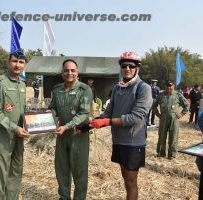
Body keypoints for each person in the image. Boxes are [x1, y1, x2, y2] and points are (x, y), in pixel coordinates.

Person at [89, 51, 153, 200]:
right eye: (124, 66)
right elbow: (108, 112)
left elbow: (136, 117)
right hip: (118, 140)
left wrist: (107, 122)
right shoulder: (118, 88)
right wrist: (91, 123)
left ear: (138, 68)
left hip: (133, 142)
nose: (127, 69)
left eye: (131, 66)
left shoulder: (143, 88)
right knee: (125, 178)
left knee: (131, 182)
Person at [48, 59, 93, 200]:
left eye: (72, 70)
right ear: (62, 73)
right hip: (61, 136)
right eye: (66, 70)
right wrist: (50, 118)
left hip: (78, 135)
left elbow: (84, 114)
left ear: (77, 72)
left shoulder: (85, 90)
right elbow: (53, 107)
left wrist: (66, 126)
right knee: (61, 169)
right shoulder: (56, 89)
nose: (69, 73)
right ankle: (64, 197)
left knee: (79, 171)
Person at [0, 49, 29, 199]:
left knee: (16, 170)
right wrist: (14, 128)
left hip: (19, 136)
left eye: (21, 62)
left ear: (25, 64)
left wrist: (31, 123)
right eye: (14, 61)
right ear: (8, 62)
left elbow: (23, 110)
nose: (17, 65)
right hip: (2, 135)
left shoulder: (23, 84)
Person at [152, 80, 189, 160]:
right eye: (167, 86)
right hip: (163, 119)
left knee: (173, 137)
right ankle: (161, 153)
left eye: (171, 86)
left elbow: (187, 106)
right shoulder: (161, 95)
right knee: (162, 137)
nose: (169, 87)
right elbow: (153, 106)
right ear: (165, 87)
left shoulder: (178, 95)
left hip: (174, 119)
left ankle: (172, 155)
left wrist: (181, 114)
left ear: (173, 86)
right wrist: (158, 114)